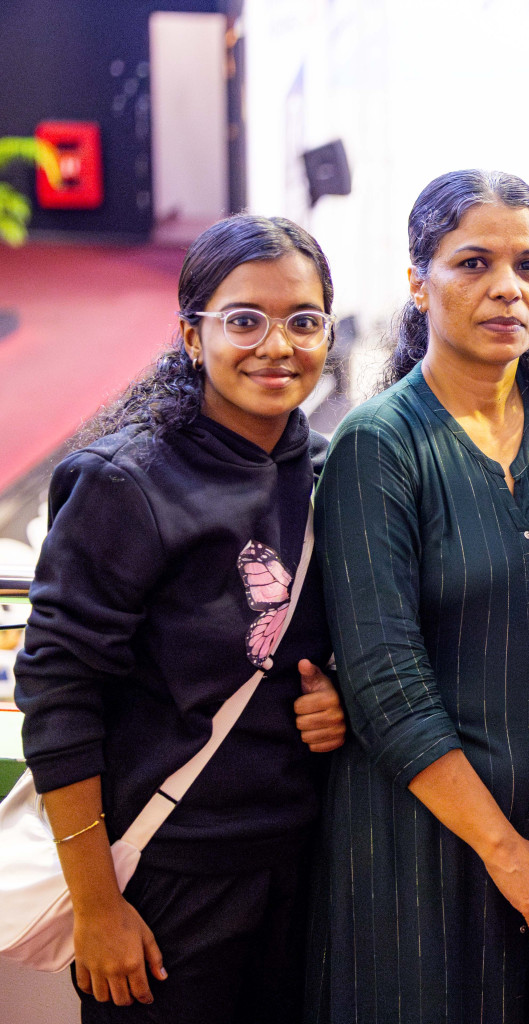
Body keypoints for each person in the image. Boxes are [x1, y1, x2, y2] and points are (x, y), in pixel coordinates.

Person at [14, 214, 347, 1022]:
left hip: (299, 866)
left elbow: (321, 644)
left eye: (303, 321)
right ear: (193, 336)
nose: (277, 345)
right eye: (244, 320)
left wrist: (341, 699)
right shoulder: (126, 484)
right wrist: (98, 908)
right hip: (163, 881)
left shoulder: (331, 469)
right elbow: (59, 701)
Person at [306, 169, 529, 1024]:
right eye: (473, 263)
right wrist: (503, 851)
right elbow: (385, 681)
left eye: (528, 263)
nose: (506, 288)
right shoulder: (381, 444)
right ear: (418, 281)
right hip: (418, 840)